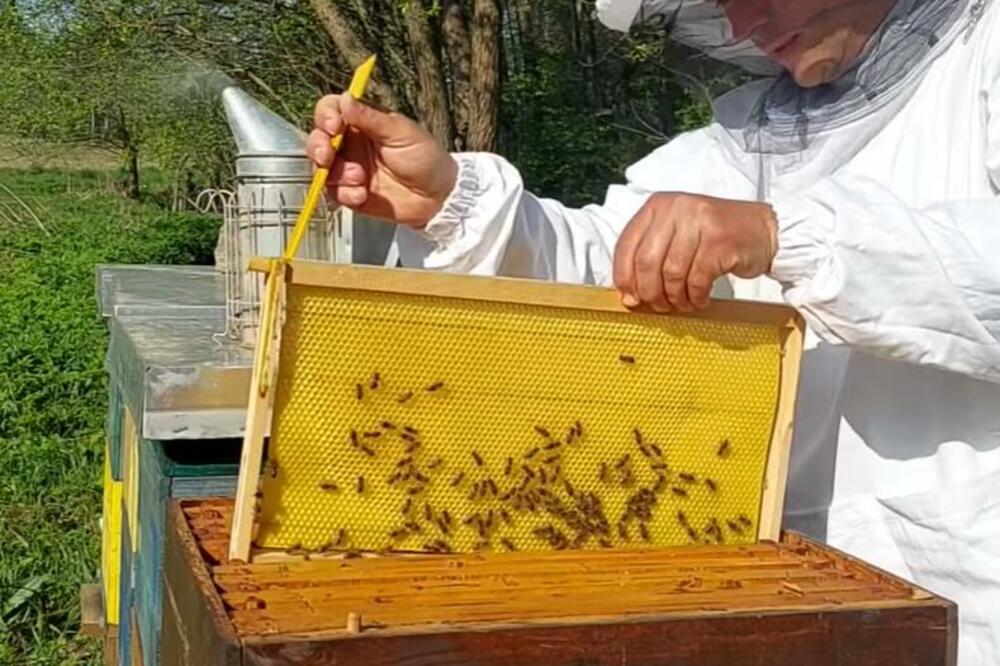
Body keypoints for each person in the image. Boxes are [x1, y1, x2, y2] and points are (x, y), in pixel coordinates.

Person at [308, 0, 1000, 661]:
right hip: (781, 599)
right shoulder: (740, 145)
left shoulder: (983, 66)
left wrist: (782, 235)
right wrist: (450, 202)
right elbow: (610, 260)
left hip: (972, 607)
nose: (736, 21)